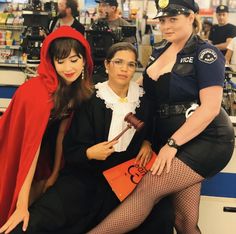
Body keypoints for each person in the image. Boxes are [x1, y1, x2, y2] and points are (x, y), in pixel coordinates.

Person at [88, 0, 235, 233]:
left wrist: (172, 144)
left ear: (191, 18)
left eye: (173, 19)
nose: (166, 26)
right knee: (183, 220)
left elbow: (210, 108)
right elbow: (145, 90)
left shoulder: (205, 53)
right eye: (163, 20)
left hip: (207, 140)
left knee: (147, 190)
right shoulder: (159, 51)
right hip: (175, 141)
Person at [10, 42, 174, 234]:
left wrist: (147, 142)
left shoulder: (145, 100)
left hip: (126, 180)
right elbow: (70, 147)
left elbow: (154, 130)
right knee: (42, 219)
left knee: (161, 214)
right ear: (106, 65)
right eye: (118, 62)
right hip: (87, 177)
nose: (124, 69)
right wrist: (89, 153)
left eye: (130, 64)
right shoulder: (90, 98)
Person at [0, 25, 93, 233]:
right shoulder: (39, 94)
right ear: (51, 62)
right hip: (16, 149)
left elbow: (61, 133)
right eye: (60, 61)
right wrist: (22, 206)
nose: (68, 67)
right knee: (11, 205)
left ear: (84, 59)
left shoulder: (74, 90)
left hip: (44, 155)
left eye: (74, 60)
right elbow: (30, 149)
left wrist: (54, 174)